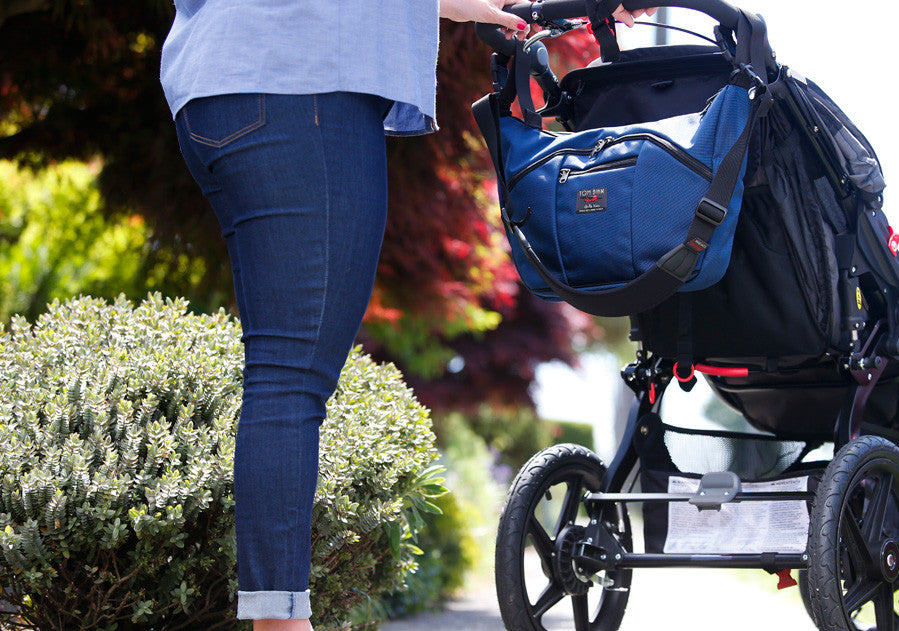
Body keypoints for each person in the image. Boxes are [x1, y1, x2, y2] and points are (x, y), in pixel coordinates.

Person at [160, 1, 651, 629]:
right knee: (291, 375)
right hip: (301, 86)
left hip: (221, 85)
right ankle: (282, 623)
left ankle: (275, 617)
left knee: (281, 373)